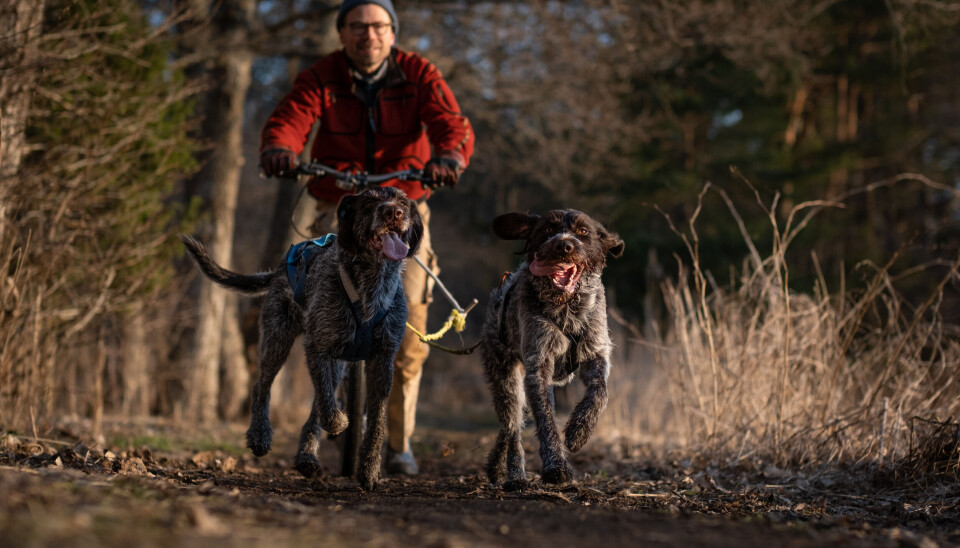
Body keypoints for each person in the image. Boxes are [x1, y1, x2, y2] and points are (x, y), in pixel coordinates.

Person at [259, 0, 474, 476]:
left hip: (403, 208)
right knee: (304, 298)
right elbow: (291, 117)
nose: (368, 35)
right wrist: (279, 148)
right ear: (342, 34)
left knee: (410, 322)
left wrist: (448, 157)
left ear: (392, 33)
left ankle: (397, 443)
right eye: (357, 27)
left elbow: (450, 126)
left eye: (378, 26)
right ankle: (325, 415)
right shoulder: (322, 76)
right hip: (338, 202)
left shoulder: (419, 73)